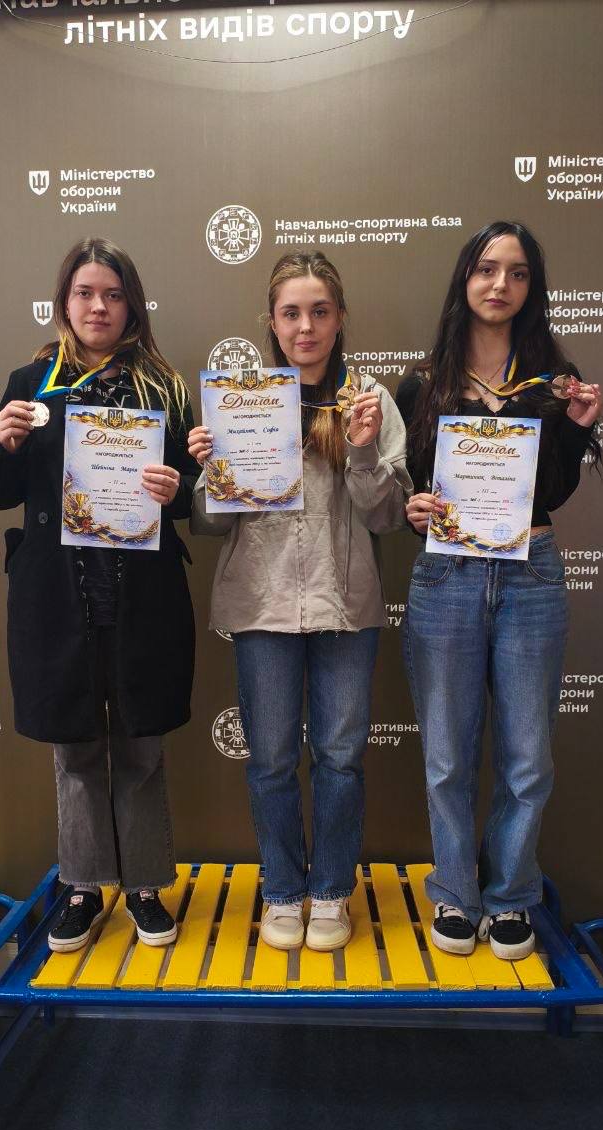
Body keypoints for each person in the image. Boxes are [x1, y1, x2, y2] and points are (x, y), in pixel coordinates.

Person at [0, 237, 198, 952]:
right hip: (59, 594)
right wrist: (5, 443)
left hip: (141, 593)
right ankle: (81, 885)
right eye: (85, 293)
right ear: (64, 303)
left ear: (131, 304)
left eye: (112, 294)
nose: (98, 306)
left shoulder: (163, 387)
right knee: (74, 749)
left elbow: (194, 494)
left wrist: (175, 487)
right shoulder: (31, 381)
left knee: (140, 745)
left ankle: (144, 885)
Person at [189, 252, 411, 952]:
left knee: (340, 759)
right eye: (291, 313)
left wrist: (365, 451)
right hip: (263, 605)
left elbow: (387, 517)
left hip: (346, 606)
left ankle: (331, 891)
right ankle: (284, 890)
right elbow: (209, 523)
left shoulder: (369, 400)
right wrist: (211, 472)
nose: (305, 327)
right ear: (272, 321)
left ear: (340, 319)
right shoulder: (242, 401)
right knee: (272, 760)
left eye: (319, 311)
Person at [397, 220, 603, 961]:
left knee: (527, 757)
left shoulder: (553, 381)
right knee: (448, 757)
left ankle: (511, 896)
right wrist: (415, 507)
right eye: (487, 269)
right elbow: (409, 486)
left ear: (531, 288)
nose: (500, 284)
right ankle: (456, 892)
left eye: (517, 273)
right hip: (446, 576)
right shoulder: (423, 384)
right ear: (465, 278)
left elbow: (552, 490)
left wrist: (574, 428)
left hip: (531, 574)